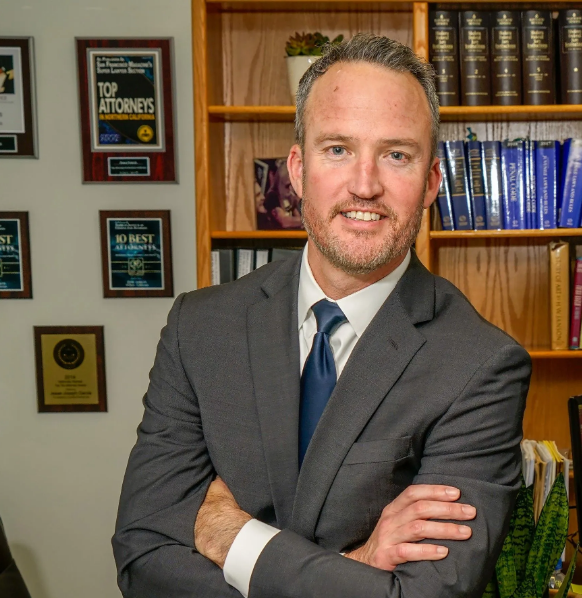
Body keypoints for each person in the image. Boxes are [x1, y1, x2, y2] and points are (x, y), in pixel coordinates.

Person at [112, 33, 531, 598]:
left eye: (396, 155)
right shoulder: (199, 329)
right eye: (337, 149)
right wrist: (358, 561)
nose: (365, 185)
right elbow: (143, 561)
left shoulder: (480, 365)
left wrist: (228, 533)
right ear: (298, 169)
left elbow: (429, 594)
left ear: (432, 182)